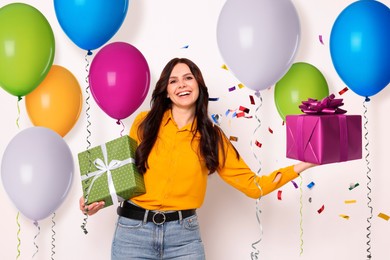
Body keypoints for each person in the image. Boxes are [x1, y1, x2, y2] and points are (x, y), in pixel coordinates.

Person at [79, 57, 316, 259]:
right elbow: (123, 174)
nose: (181, 85)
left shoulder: (212, 137)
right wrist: (94, 200)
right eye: (173, 81)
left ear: (199, 84)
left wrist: (304, 164)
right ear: (167, 90)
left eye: (188, 78)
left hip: (184, 239)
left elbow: (253, 187)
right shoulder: (145, 122)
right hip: (132, 233)